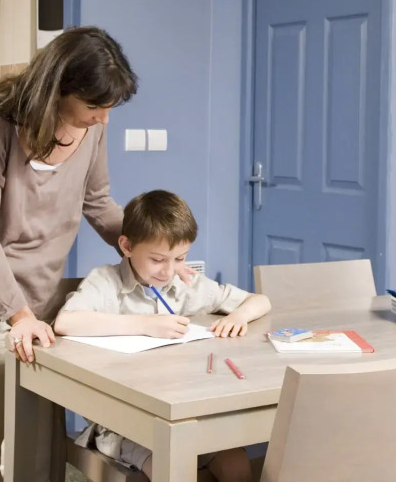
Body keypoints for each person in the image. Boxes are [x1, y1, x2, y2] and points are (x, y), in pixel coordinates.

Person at [0, 26, 139, 481]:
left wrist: (145, 251)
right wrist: (18, 315)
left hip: (40, 315)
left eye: (109, 107)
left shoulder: (91, 130)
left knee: (36, 457)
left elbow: (98, 202)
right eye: (95, 105)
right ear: (59, 88)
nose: (104, 118)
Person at [54, 190, 272, 482]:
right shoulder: (106, 281)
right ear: (127, 246)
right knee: (171, 469)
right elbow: (65, 322)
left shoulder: (184, 284)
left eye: (180, 258)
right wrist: (145, 324)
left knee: (237, 465)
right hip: (123, 423)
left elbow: (260, 301)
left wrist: (238, 316)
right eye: (157, 259)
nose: (169, 271)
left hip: (186, 415)